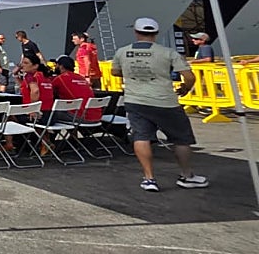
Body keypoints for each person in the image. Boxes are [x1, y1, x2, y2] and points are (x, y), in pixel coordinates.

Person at [111, 17, 207, 193]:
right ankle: (187, 175)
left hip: (135, 100)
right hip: (165, 101)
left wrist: (135, 74)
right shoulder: (168, 52)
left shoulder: (122, 52)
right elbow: (189, 76)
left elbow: (115, 71)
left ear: (136, 32)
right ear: (156, 33)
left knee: (141, 137)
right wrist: (185, 88)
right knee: (181, 139)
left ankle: (149, 178)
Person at [3, 52, 57, 152]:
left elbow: (35, 91)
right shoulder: (45, 76)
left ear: (35, 66)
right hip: (50, 115)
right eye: (22, 63)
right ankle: (46, 142)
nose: (22, 65)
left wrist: (33, 109)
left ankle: (9, 144)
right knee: (33, 119)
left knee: (8, 116)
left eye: (26, 63)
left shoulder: (30, 76)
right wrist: (16, 75)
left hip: (39, 114)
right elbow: (24, 87)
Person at [53, 55, 100, 121]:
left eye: (56, 65)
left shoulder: (60, 78)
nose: (55, 67)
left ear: (61, 66)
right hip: (96, 117)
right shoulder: (81, 78)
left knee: (49, 112)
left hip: (80, 118)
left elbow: (48, 92)